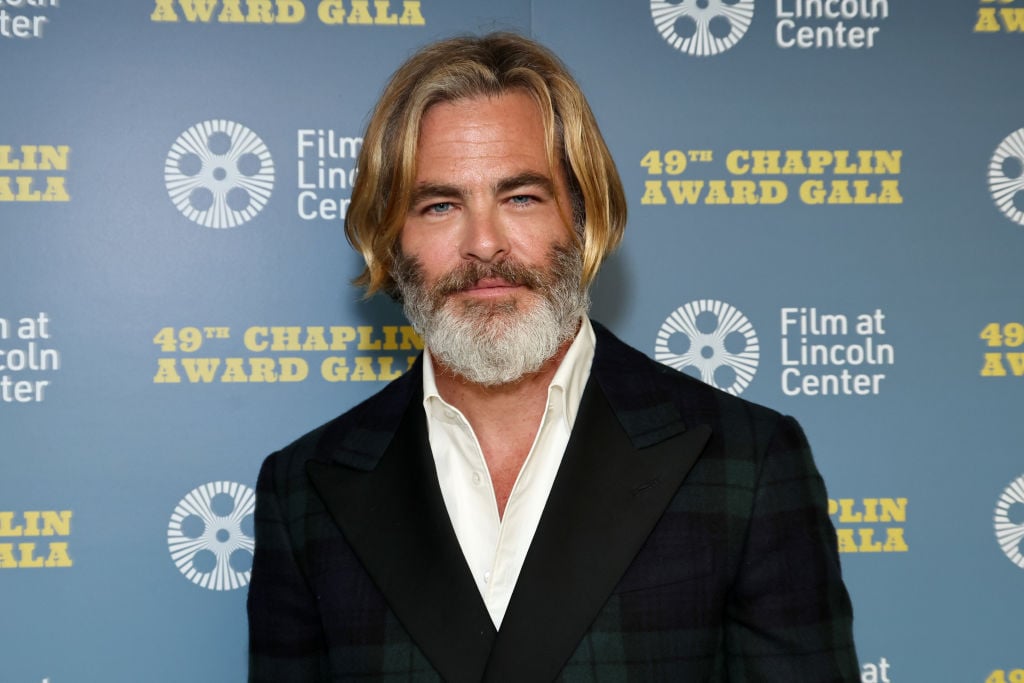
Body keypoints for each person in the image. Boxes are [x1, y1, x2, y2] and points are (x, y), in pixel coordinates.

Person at [247, 32, 859, 682]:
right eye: (441, 204)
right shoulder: (304, 489)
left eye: (521, 197)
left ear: (583, 216)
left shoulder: (746, 462)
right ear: (391, 239)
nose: (484, 243)